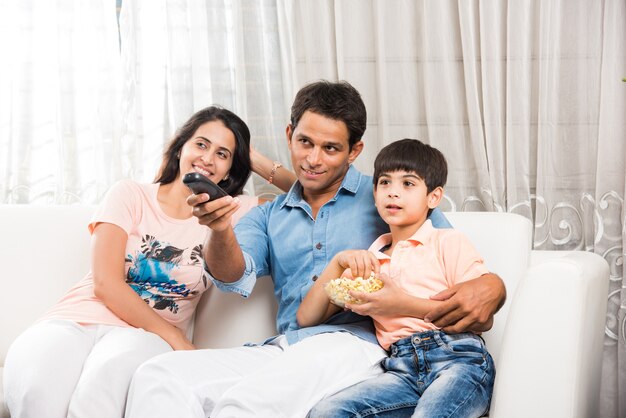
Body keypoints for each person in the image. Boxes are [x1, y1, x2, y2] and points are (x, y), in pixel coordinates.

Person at [125, 80, 506, 418]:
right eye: (304, 142)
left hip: (358, 347)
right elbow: (231, 276)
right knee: (159, 375)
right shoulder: (268, 214)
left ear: (354, 151)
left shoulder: (388, 195)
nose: (313, 159)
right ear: (289, 134)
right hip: (286, 346)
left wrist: (494, 287)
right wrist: (221, 228)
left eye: (330, 148)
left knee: (247, 405)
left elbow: (454, 260)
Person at [2, 106, 295, 418]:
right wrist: (179, 341)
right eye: (201, 144)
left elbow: (307, 195)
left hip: (146, 338)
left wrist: (253, 158)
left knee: (100, 391)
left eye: (222, 154)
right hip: (76, 319)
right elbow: (106, 284)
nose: (208, 158)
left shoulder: (232, 210)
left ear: (231, 169)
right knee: (38, 389)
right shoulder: (130, 194)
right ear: (181, 146)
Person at [299, 139, 495, 418]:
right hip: (400, 368)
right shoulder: (370, 259)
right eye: (385, 183)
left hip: (458, 359)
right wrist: (337, 262)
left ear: (434, 197)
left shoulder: (447, 242)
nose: (393, 193)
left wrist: (398, 304)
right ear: (375, 193)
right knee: (327, 412)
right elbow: (307, 317)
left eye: (408, 184)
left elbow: (481, 318)